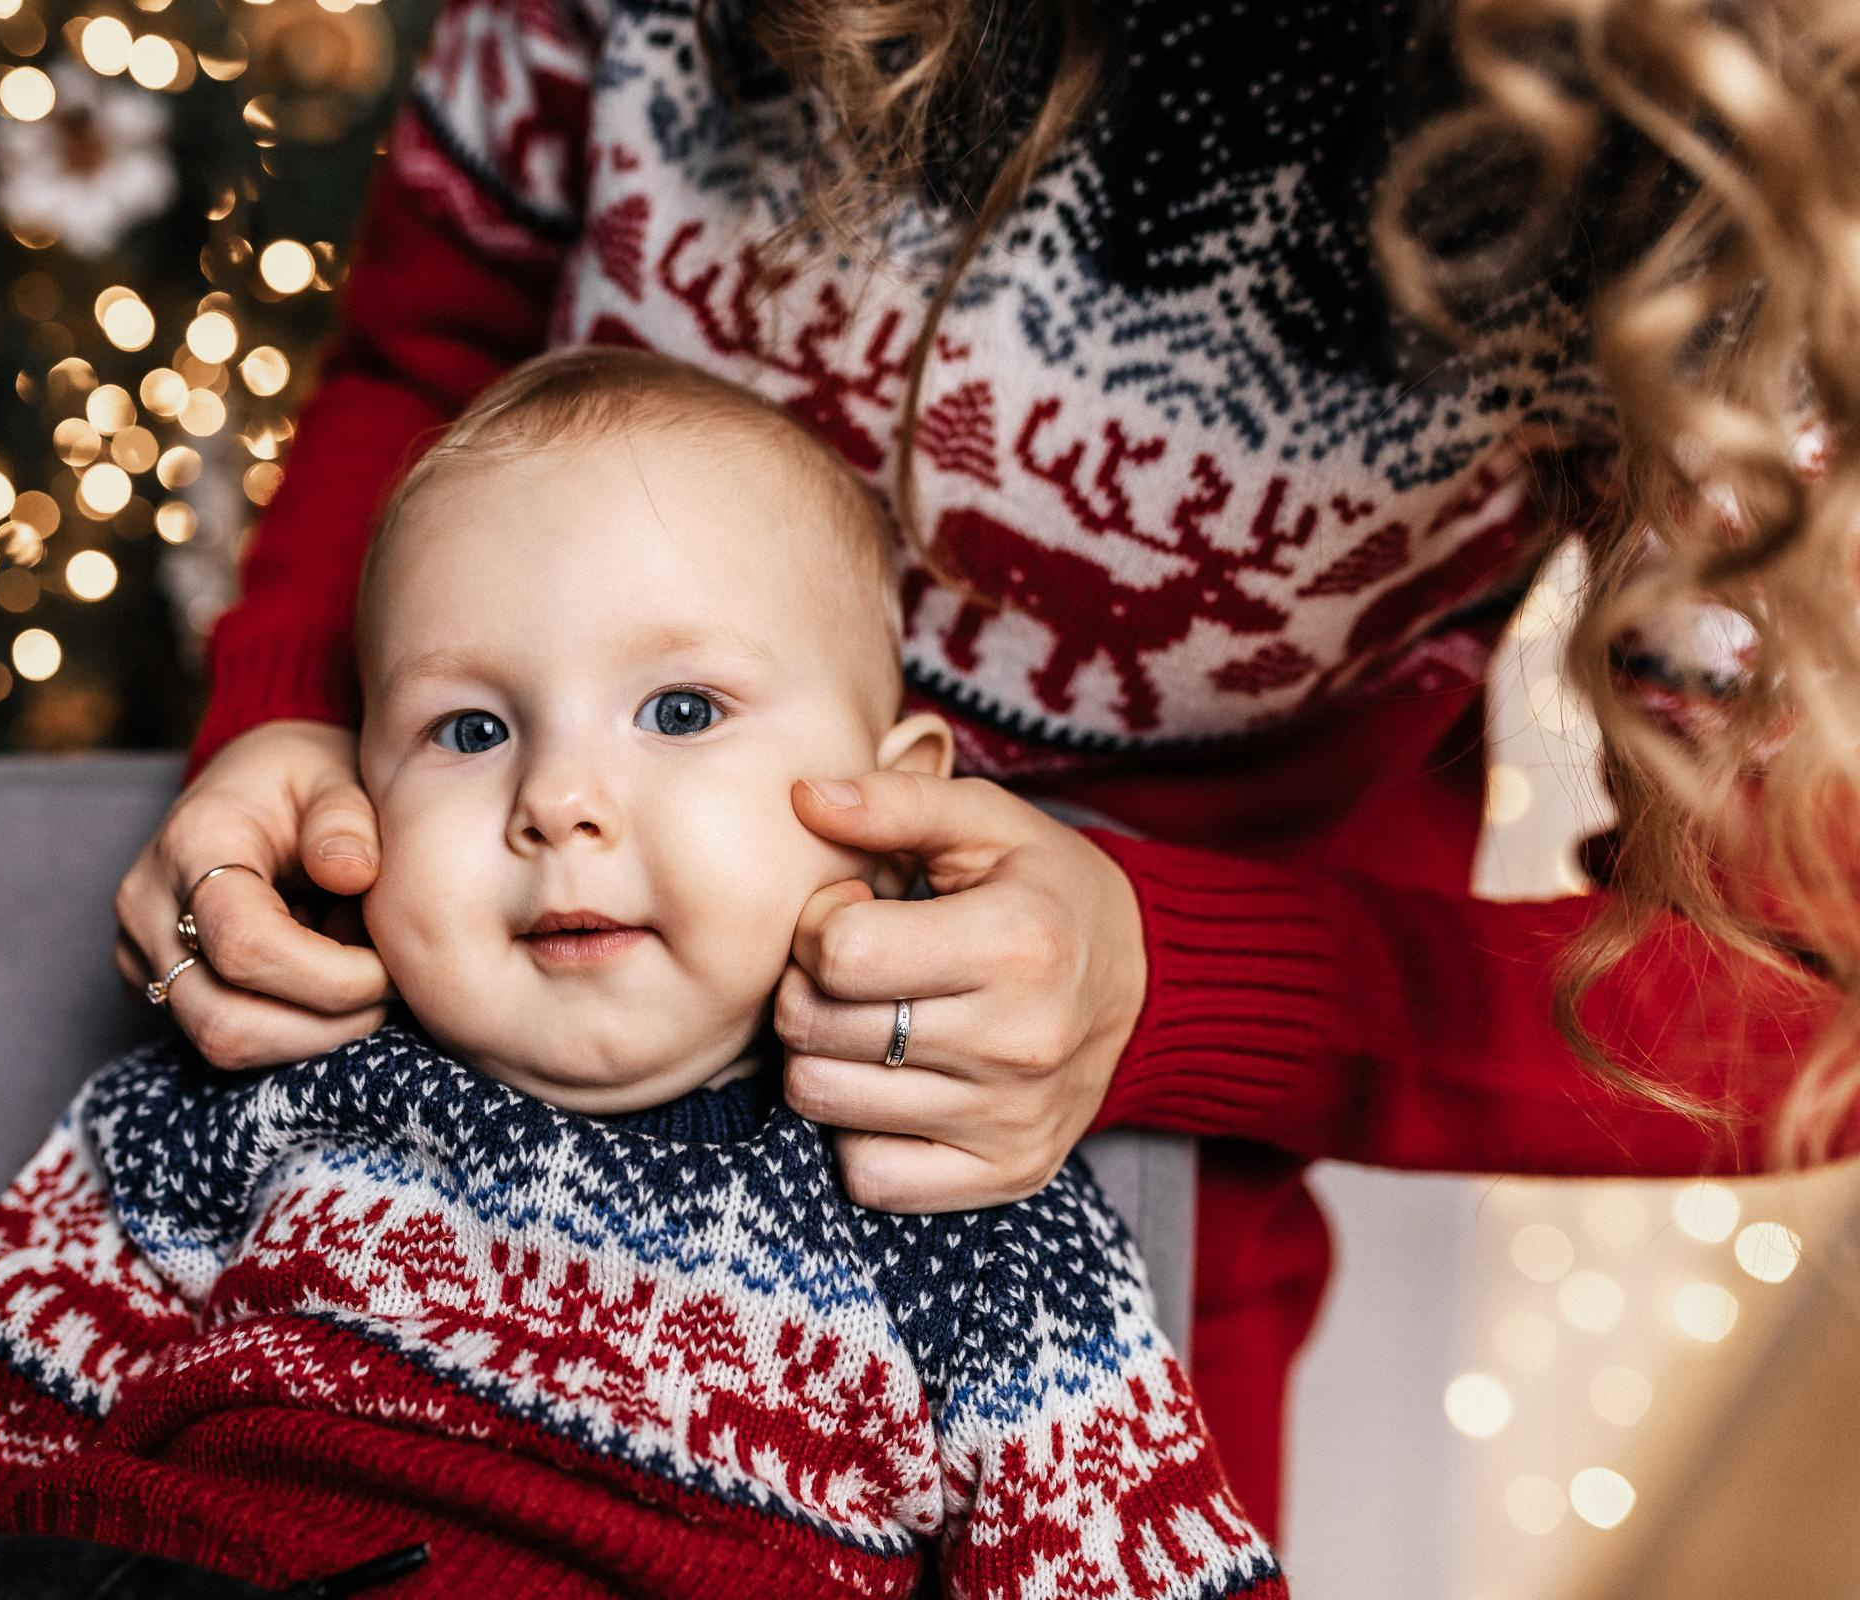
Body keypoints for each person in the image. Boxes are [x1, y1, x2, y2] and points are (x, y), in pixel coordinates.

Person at [110, 0, 1860, 1537]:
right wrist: (291, 713)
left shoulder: (1728, 179)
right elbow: (437, 335)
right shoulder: (209, 1157)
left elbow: (1814, 994)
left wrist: (1176, 978)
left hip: (1117, 1230)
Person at [0, 349, 1285, 1600]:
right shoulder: (266, 1086)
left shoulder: (957, 1199)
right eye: (469, 728)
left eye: (680, 711)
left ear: (895, 804)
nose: (558, 799)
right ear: (358, 795)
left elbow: (1135, 1564)